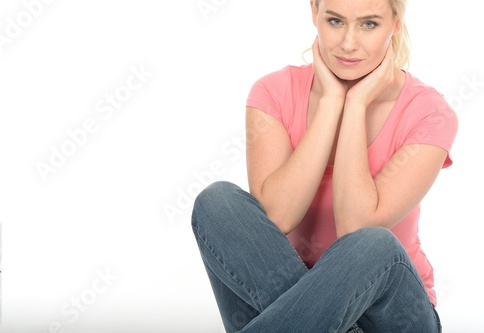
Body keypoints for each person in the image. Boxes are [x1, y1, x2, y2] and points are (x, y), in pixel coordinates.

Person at [191, 0, 458, 331]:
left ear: (396, 23)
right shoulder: (273, 92)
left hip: (391, 315)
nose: (348, 43)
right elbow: (277, 218)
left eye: (369, 24)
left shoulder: (430, 112)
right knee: (218, 203)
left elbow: (355, 227)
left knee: (374, 243)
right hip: (297, 308)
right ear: (314, 12)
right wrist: (332, 101)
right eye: (335, 21)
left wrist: (356, 103)